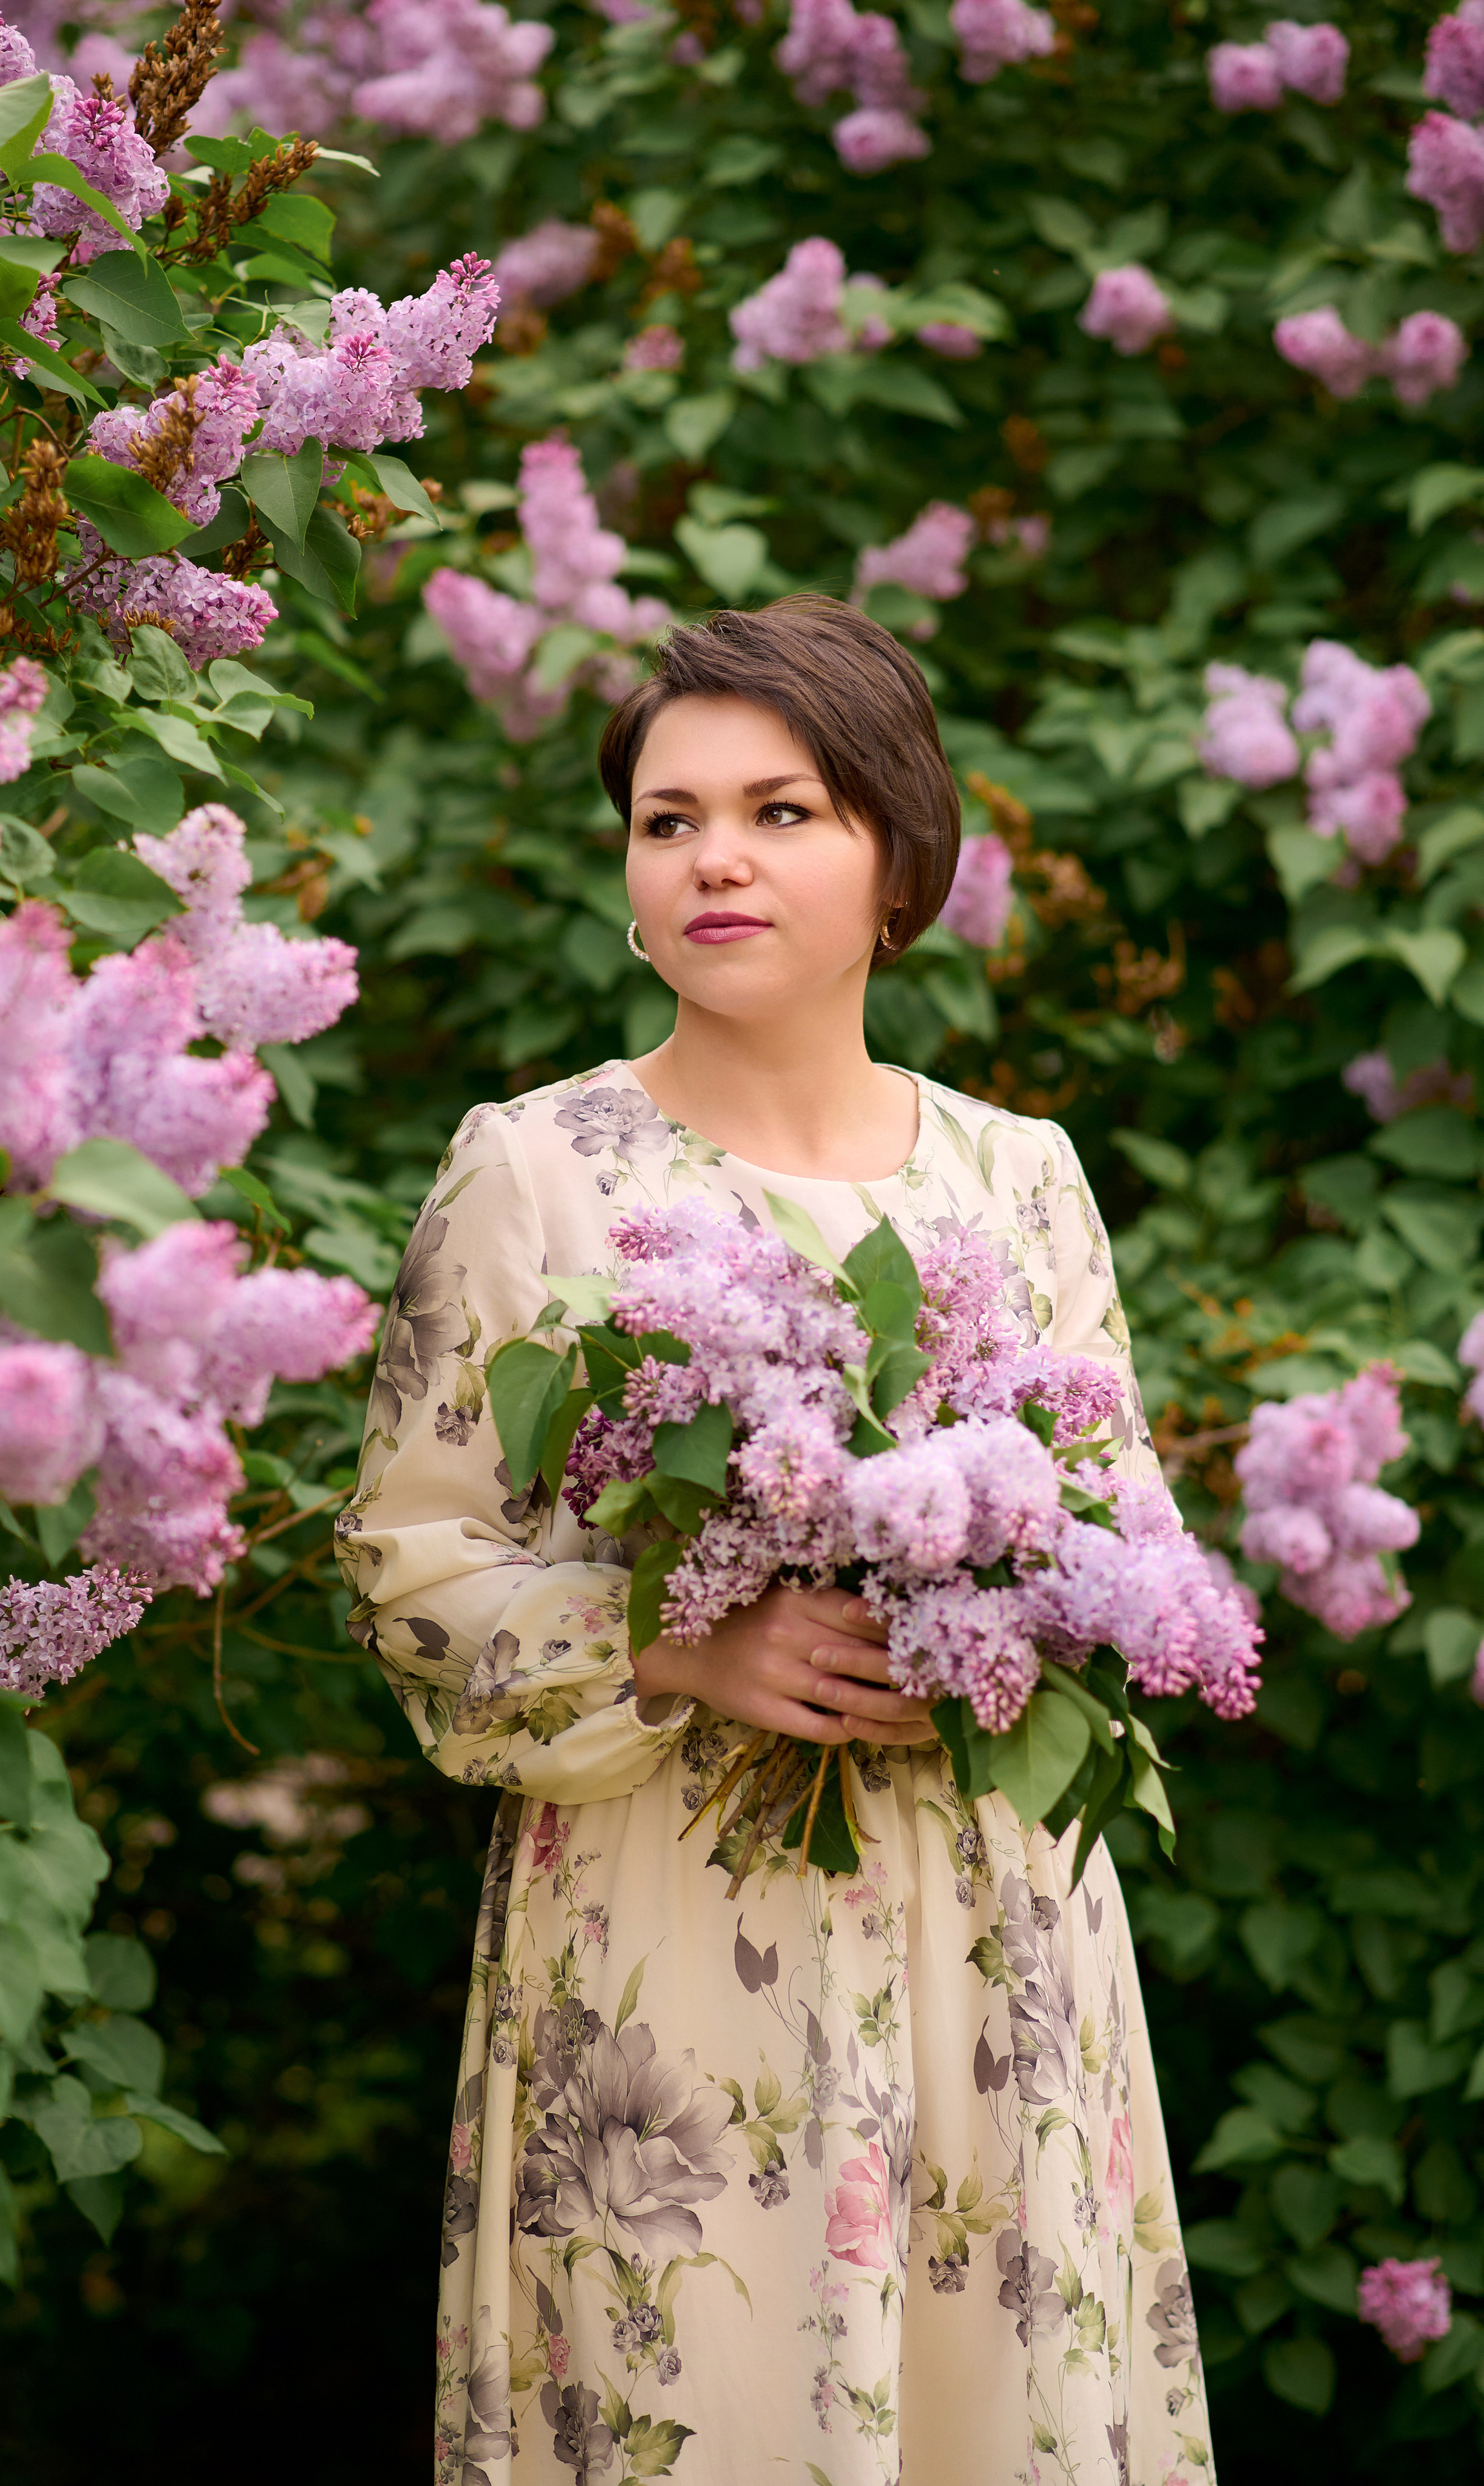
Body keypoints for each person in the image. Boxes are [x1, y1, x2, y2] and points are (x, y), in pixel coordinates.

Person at [337, 595, 1214, 2485]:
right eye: (668, 821)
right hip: (671, 1928)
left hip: (994, 1937)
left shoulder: (1018, 1177)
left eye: (781, 809)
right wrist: (679, 1644)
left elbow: (1119, 1525)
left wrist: (1008, 1623)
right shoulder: (540, 1167)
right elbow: (415, 1569)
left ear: (897, 850)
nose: (715, 856)